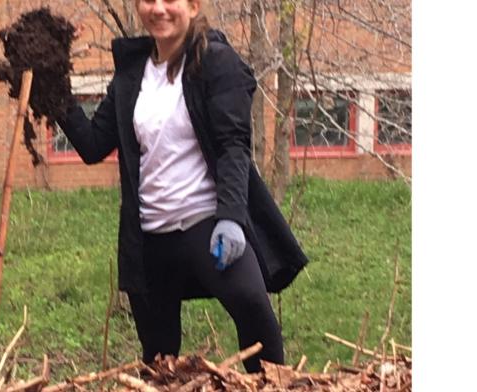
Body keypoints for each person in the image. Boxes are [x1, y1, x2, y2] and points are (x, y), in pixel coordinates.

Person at [56, 0, 309, 373]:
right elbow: (93, 144)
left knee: (254, 311)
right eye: (148, 0)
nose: (158, 9)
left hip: (206, 226)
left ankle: (272, 384)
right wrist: (52, 86)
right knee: (159, 358)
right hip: (150, 238)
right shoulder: (132, 74)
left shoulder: (215, 62)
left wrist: (232, 218)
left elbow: (233, 147)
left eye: (170, 0)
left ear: (193, 5)